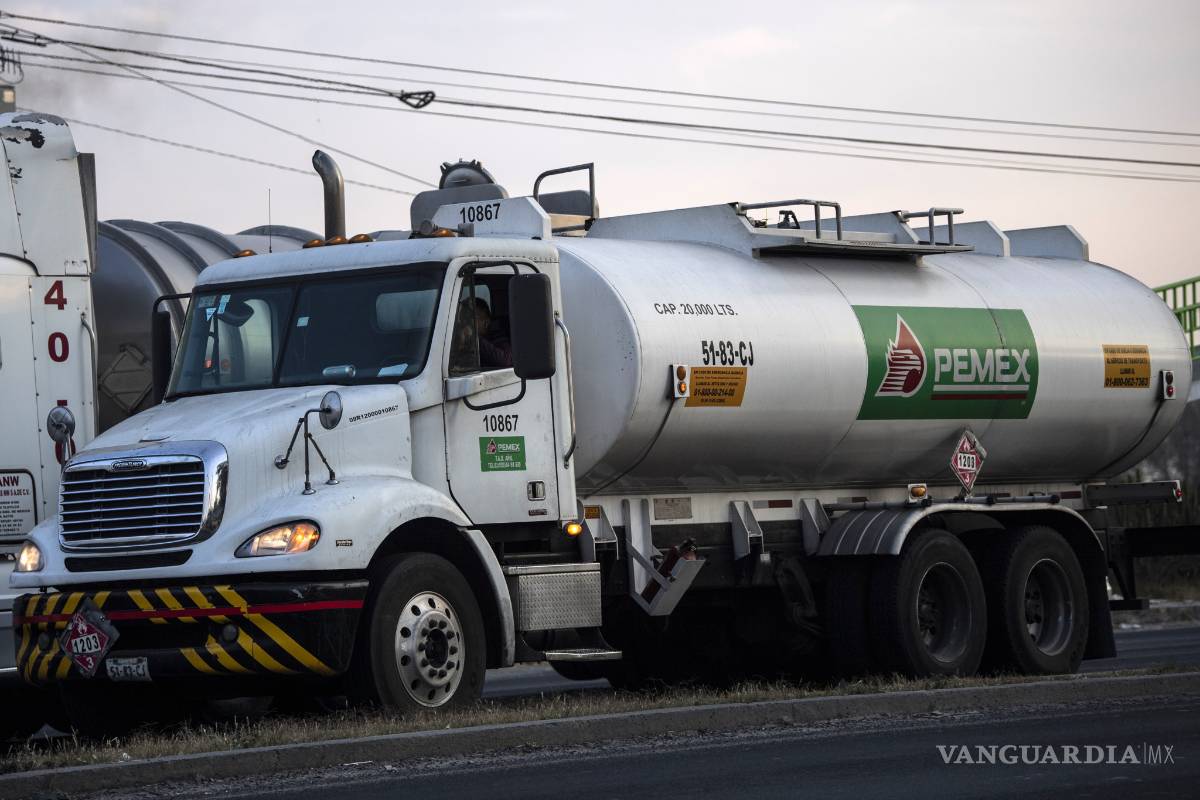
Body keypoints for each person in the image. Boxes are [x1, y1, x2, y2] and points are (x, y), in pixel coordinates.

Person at [453, 297, 511, 370]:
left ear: (486, 322)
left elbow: (505, 361)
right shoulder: (463, 337)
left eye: (469, 318)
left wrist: (474, 338)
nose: (465, 323)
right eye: (463, 318)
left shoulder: (496, 334)